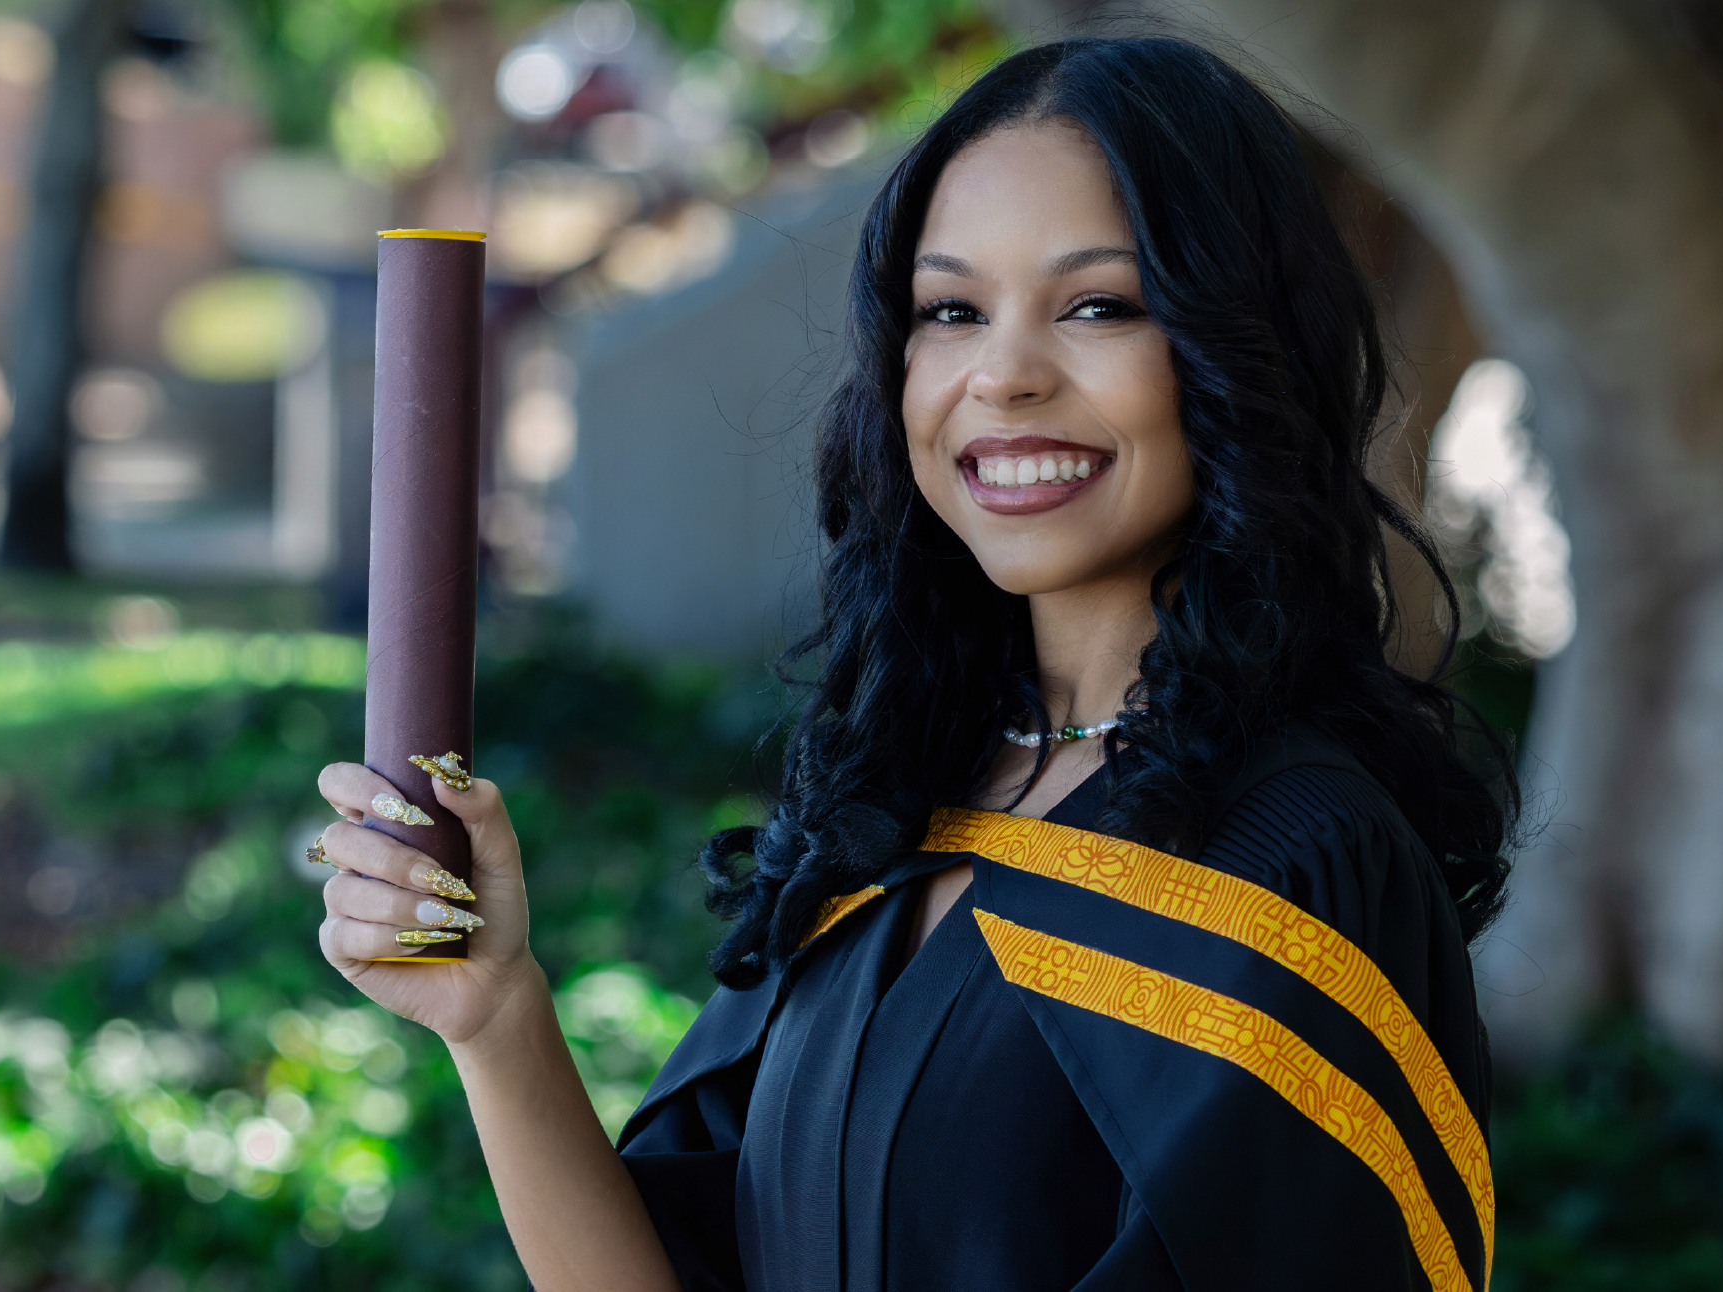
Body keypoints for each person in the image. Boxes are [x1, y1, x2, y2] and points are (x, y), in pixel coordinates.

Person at [306, 35, 1515, 1292]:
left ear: (1237, 351)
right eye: (950, 311)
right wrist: (494, 1014)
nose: (1002, 374)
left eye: (1097, 303)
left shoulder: (1297, 862)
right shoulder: (902, 810)